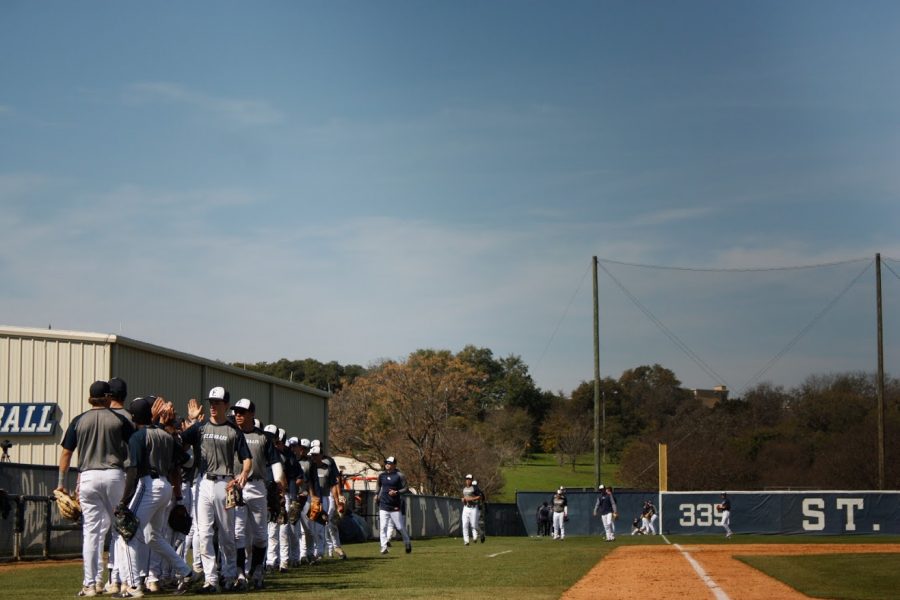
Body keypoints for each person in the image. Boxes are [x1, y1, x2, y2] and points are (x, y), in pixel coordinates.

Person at [57, 380, 135, 598]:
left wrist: (61, 482)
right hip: (114, 475)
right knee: (119, 529)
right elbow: (135, 447)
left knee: (91, 532)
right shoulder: (119, 419)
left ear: (90, 398)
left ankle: (91, 584)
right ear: (108, 397)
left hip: (88, 476)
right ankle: (123, 581)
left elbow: (66, 453)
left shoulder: (78, 420)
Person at [116, 396, 193, 598]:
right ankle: (185, 572)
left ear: (133, 417)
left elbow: (133, 471)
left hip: (148, 485)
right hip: (166, 485)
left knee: (128, 535)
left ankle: (134, 587)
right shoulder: (165, 435)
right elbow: (187, 460)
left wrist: (124, 502)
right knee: (152, 536)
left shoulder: (137, 437)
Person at [181, 387, 253, 594]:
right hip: (203, 482)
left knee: (227, 534)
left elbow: (247, 458)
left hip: (225, 483)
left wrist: (244, 473)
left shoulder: (233, 430)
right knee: (203, 533)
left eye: (217, 402)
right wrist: (192, 420)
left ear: (226, 405)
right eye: (211, 402)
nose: (213, 406)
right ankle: (211, 580)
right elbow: (180, 444)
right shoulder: (200, 428)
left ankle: (229, 576)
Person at [232, 399, 284, 590]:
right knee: (238, 532)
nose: (238, 415)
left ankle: (257, 570)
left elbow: (275, 462)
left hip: (257, 486)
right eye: (236, 412)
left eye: (242, 412)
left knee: (260, 535)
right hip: (236, 486)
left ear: (252, 414)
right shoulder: (232, 434)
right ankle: (239, 573)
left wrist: (279, 482)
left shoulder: (262, 437)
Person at [308, 442, 347, 560]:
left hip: (327, 495)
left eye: (316, 454)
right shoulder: (310, 465)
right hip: (313, 497)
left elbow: (335, 481)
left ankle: (333, 548)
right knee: (316, 525)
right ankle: (324, 550)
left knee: (328, 522)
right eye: (312, 454)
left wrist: (338, 498)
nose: (314, 457)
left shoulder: (329, 462)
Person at [375, 456, 412, 555]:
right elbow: (378, 485)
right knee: (383, 527)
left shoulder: (399, 475)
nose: (387, 464)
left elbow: (406, 488)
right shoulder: (381, 475)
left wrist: (397, 492)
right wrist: (376, 495)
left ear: (394, 465)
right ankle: (384, 547)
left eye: (390, 463)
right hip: (383, 505)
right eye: (386, 463)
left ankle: (407, 542)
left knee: (400, 527)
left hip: (395, 505)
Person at [460, 474, 483, 546]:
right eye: (467, 479)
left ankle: (480, 533)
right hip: (466, 508)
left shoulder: (474, 488)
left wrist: (471, 499)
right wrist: (463, 500)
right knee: (464, 525)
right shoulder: (464, 489)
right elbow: (465, 499)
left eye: (469, 479)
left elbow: (480, 496)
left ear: (471, 480)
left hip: (473, 508)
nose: (467, 480)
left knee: (473, 525)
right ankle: (466, 541)